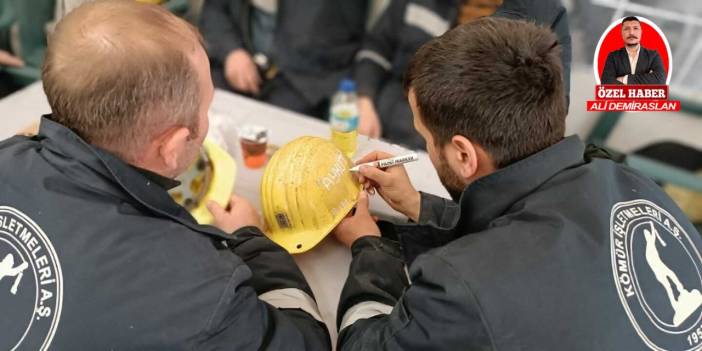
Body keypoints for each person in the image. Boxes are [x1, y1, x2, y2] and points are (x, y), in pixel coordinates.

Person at [333, 17, 702, 350]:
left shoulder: (462, 289)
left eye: (425, 138)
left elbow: (366, 346)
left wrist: (369, 246)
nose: (425, 149)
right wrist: (418, 204)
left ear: (464, 155)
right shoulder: (630, 182)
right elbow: (521, 234)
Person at [0, 1, 330, 349]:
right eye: (206, 108)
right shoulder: (201, 296)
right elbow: (305, 342)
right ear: (171, 147)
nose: (206, 119)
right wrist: (253, 242)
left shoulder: (8, 155)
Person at [354, 0, 572, 148]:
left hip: (451, 154)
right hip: (381, 127)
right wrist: (365, 102)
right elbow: (376, 49)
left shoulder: (532, 16)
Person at [199, 0, 368, 119]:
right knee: (202, 106)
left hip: (303, 79)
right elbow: (214, 10)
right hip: (238, 58)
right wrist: (232, 51)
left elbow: (343, 41)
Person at [601, 16, 666, 85]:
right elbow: (606, 82)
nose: (631, 32)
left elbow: (660, 79)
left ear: (641, 32)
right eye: (626, 29)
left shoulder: (653, 55)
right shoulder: (613, 56)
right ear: (621, 33)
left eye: (635, 28)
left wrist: (625, 79)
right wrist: (647, 80)